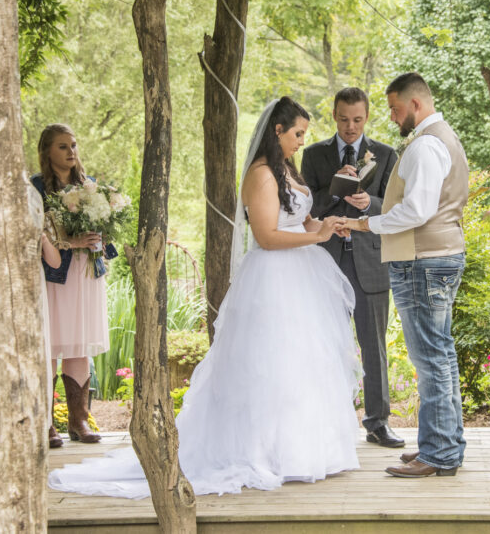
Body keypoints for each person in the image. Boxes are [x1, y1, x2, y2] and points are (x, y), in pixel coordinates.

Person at [48, 97, 361, 497]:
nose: (302, 141)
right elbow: (265, 236)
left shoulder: (286, 170)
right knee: (273, 361)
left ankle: (303, 448)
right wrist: (315, 236)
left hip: (302, 275)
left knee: (302, 360)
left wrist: (325, 225)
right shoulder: (261, 174)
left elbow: (299, 219)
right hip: (274, 278)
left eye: (304, 134)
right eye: (298, 133)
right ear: (278, 131)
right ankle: (267, 450)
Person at [346, 72, 470, 479]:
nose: (393, 117)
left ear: (415, 105)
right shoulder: (441, 138)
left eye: (396, 109)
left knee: (430, 358)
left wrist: (368, 224)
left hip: (423, 261)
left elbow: (416, 211)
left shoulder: (426, 145)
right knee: (442, 356)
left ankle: (437, 454)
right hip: (437, 256)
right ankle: (446, 445)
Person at [301, 87, 402, 449]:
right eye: (344, 119)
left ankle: (378, 423)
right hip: (326, 259)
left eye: (357, 120)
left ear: (367, 116)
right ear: (334, 115)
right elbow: (305, 207)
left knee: (373, 346)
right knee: (329, 343)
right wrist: (335, 191)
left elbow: (394, 206)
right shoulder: (313, 155)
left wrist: (369, 202)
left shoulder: (388, 155)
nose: (350, 127)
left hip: (370, 261)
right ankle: (334, 423)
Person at [31, 124, 116, 448]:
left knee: (79, 343)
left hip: (84, 273)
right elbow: (34, 233)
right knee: (50, 344)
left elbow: (103, 224)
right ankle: (45, 422)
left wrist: (100, 237)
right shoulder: (36, 188)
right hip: (54, 275)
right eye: (63, 146)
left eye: (74, 145)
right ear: (47, 151)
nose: (71, 152)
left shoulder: (89, 186)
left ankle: (79, 419)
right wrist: (69, 240)